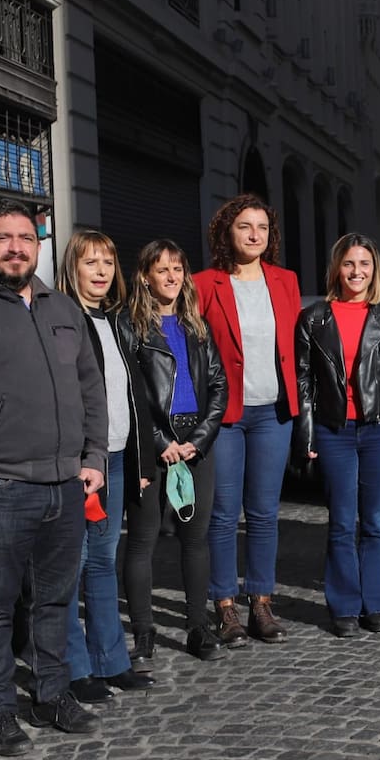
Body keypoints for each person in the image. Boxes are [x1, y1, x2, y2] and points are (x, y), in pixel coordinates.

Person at [0, 199, 106, 756]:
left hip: (65, 483)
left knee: (56, 601)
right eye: (3, 238)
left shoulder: (63, 308)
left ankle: (51, 692)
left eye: (26, 238)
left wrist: (95, 457)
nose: (17, 247)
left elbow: (91, 388)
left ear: (38, 246)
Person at [55, 231, 158, 701]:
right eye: (90, 262)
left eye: (108, 263)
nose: (101, 271)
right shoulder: (60, 319)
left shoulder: (117, 321)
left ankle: (111, 661)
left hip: (115, 457)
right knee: (69, 568)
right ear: (72, 268)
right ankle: (74, 669)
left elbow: (133, 395)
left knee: (102, 563)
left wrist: (137, 458)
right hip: (79, 464)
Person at [295, 234, 380, 636]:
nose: (356, 272)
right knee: (343, 520)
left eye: (364, 264)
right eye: (349, 264)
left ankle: (376, 603)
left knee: (376, 521)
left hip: (378, 428)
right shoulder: (314, 318)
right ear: (337, 268)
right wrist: (308, 436)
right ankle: (344, 606)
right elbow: (304, 381)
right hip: (334, 431)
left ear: (373, 270)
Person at [195, 194, 301, 646]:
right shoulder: (205, 283)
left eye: (261, 227)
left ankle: (260, 602)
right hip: (226, 416)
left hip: (274, 412)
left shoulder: (286, 281)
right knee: (222, 513)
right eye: (245, 226)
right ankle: (224, 606)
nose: (255, 234)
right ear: (227, 232)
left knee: (263, 513)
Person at [121, 240, 228, 663]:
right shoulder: (129, 326)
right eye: (161, 269)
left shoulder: (195, 325)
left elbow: (218, 387)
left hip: (195, 444)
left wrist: (198, 441)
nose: (171, 277)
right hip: (154, 444)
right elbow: (131, 394)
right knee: (143, 540)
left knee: (195, 539)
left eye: (178, 269)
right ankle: (144, 633)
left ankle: (197, 628)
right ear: (145, 275)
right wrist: (160, 444)